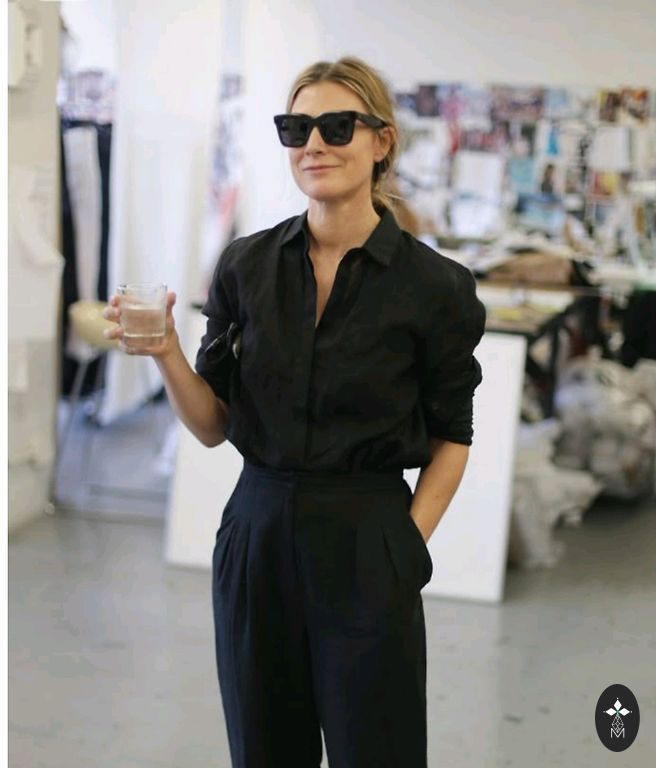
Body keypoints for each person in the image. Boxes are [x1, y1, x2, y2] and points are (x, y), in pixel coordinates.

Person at [103, 55, 486, 768]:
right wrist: (164, 352)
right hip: (257, 534)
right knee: (264, 751)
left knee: (378, 750)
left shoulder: (436, 287)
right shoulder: (246, 266)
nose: (314, 143)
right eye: (296, 127)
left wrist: (405, 550)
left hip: (368, 536)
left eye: (337, 126)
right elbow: (213, 426)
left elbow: (451, 437)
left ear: (382, 140)